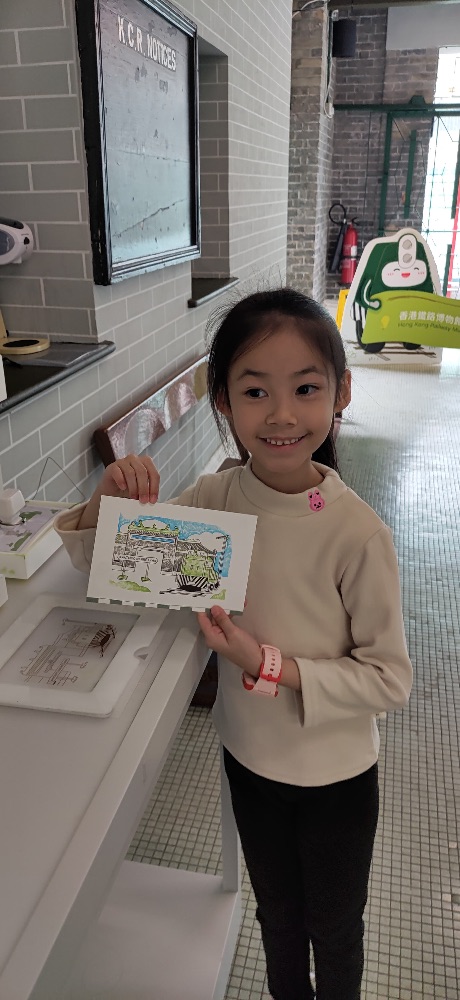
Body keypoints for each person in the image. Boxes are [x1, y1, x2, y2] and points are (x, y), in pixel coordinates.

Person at [55, 288, 413, 1000]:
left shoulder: (356, 533)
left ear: (340, 392)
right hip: (250, 760)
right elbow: (110, 565)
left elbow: (387, 679)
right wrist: (108, 500)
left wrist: (266, 663)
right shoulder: (217, 499)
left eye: (305, 388)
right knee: (276, 918)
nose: (281, 415)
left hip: (336, 778)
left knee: (334, 929)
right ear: (223, 400)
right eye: (255, 391)